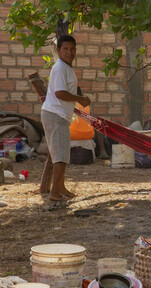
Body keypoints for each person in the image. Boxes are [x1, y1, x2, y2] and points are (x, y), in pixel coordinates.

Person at [41, 35, 91, 201]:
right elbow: (60, 93)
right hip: (55, 115)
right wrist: (80, 99)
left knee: (61, 155)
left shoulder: (66, 68)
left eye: (72, 49)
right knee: (60, 157)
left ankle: (61, 188)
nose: (69, 52)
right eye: (65, 49)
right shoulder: (60, 68)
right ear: (58, 50)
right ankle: (54, 193)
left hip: (59, 115)